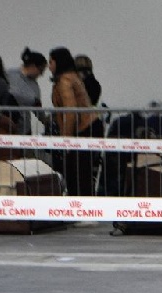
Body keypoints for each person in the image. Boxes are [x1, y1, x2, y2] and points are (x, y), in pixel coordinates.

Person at [49, 46, 104, 196]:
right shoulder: (72, 77)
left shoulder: (64, 81)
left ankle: (78, 207)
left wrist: (66, 139)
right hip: (88, 126)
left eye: (51, 62)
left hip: (82, 129)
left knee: (76, 172)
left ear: (58, 63)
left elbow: (70, 111)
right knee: (82, 172)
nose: (49, 66)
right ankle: (82, 205)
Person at [6, 47, 47, 134]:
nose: (41, 74)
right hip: (7, 125)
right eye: (41, 70)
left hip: (24, 127)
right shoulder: (10, 74)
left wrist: (46, 122)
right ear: (33, 66)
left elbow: (37, 108)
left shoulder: (35, 86)